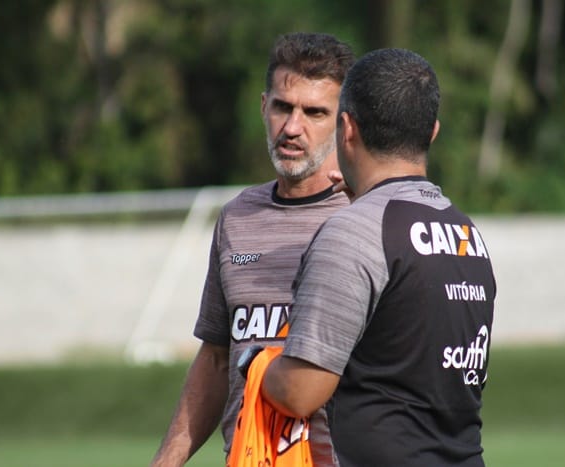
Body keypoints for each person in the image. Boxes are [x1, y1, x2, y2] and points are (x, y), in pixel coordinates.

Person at [261, 48, 496, 466]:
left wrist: (255, 364)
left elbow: (300, 393)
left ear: (347, 127)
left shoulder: (355, 232)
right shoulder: (466, 233)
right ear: (432, 132)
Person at [150, 32, 355, 467]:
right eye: (283, 107)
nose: (292, 127)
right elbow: (216, 359)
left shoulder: (366, 217)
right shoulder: (237, 218)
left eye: (314, 112)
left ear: (344, 122)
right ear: (264, 107)